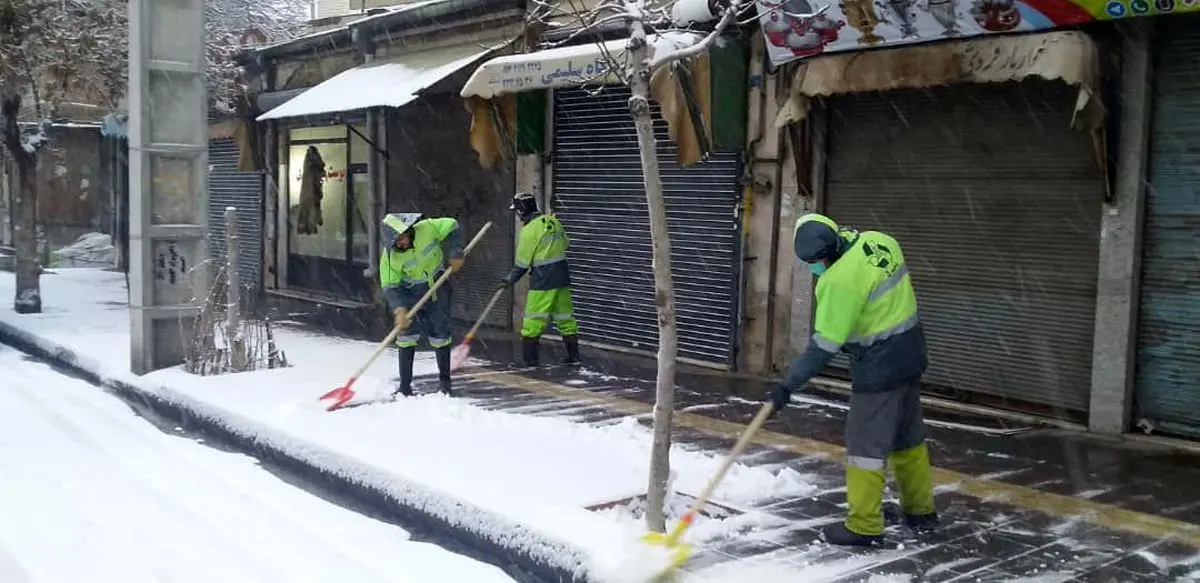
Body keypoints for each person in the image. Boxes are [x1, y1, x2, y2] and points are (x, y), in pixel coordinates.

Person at [768, 213, 937, 547]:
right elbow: (878, 303)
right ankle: (921, 512)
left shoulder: (838, 282)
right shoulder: (880, 240)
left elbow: (823, 347)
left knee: (865, 448)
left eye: (818, 261)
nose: (817, 267)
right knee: (908, 438)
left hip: (879, 369)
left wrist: (788, 385)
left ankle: (864, 526)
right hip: (912, 354)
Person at [379, 212, 464, 397]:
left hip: (437, 289)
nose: (399, 244)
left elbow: (453, 225)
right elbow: (390, 286)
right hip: (409, 295)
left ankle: (445, 384)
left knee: (441, 335)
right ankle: (405, 387)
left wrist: (456, 252)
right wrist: (399, 309)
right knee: (406, 336)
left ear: (409, 231)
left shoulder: (428, 228)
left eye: (401, 239)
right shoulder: (390, 256)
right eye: (395, 242)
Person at [499, 192, 580, 367]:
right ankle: (574, 356)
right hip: (562, 276)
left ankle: (530, 361)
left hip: (543, 280)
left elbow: (522, 263)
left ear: (521, 211)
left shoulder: (529, 231)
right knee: (566, 318)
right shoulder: (554, 222)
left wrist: (509, 280)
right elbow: (566, 243)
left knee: (533, 320)